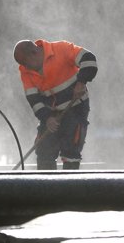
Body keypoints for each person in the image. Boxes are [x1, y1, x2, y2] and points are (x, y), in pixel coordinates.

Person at [13, 39, 98, 170]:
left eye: (26, 63)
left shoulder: (61, 49)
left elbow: (89, 59)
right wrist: (47, 119)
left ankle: (69, 186)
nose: (26, 67)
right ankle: (46, 186)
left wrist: (81, 82)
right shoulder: (25, 71)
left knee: (71, 149)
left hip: (76, 108)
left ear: (34, 53)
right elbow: (34, 100)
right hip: (51, 113)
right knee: (43, 150)